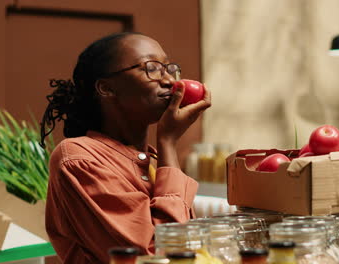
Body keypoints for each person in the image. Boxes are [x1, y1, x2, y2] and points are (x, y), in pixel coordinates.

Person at [39, 32, 211, 264]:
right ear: (106, 88)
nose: (170, 81)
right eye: (151, 68)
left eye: (168, 68)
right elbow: (155, 256)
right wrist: (168, 142)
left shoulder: (152, 159)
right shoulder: (79, 158)